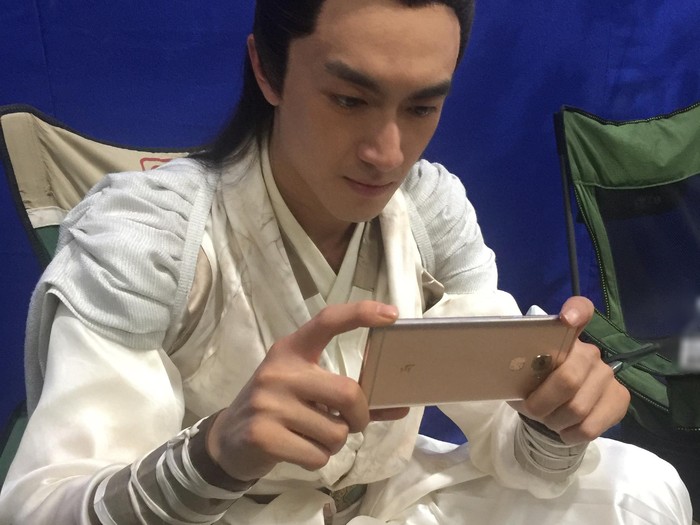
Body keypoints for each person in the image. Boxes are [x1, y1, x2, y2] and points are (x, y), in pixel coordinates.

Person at [0, 0, 693, 523]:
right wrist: (213, 455)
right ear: (267, 70)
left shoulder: (428, 211)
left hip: (389, 500)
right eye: (349, 99)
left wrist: (553, 415)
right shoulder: (149, 237)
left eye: (421, 108)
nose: (387, 153)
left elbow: (512, 449)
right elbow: (44, 507)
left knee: (637, 488)